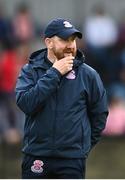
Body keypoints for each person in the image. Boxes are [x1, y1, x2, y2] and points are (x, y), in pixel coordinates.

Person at [15, 18, 108, 179]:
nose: (71, 45)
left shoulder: (89, 75)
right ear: (49, 42)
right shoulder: (30, 71)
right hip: (36, 155)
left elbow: (99, 116)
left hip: (72, 160)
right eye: (65, 39)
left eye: (73, 40)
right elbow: (26, 104)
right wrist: (54, 73)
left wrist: (81, 148)